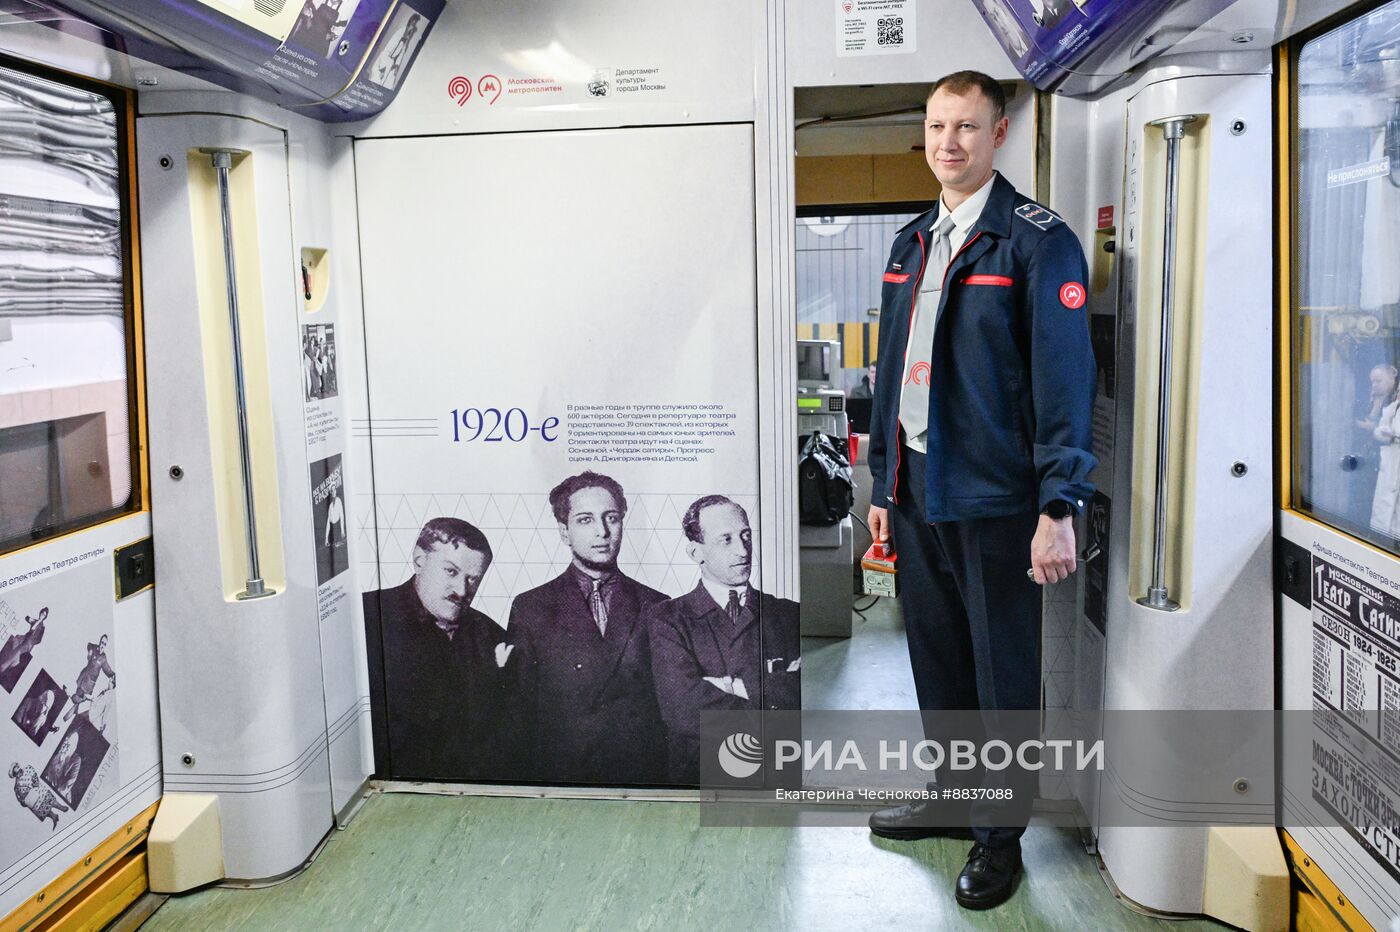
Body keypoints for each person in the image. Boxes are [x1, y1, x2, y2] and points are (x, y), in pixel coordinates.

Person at [864, 71, 1096, 910]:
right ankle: (954, 793)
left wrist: (1058, 504)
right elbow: (891, 374)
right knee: (937, 659)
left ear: (999, 134)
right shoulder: (910, 243)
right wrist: (884, 485)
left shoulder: (1038, 243)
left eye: (966, 127)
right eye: (935, 127)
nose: (948, 143)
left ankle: (1001, 839)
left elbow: (1065, 382)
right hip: (921, 483)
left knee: (1002, 673)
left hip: (1000, 498)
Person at [507, 472, 670, 784]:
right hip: (561, 780)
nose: (602, 532)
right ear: (564, 531)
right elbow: (518, 714)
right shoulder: (531, 607)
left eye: (611, 518)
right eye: (585, 520)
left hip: (641, 781)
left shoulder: (658, 606)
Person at [650, 495, 801, 784]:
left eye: (746, 536)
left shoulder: (788, 614)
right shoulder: (666, 618)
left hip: (776, 773)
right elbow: (682, 709)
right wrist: (775, 689)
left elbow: (806, 696)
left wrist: (737, 687)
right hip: (698, 776)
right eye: (726, 540)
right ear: (696, 552)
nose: (743, 550)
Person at [362, 518, 519, 780]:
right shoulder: (364, 617)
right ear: (419, 559)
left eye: (473, 579)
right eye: (451, 571)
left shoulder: (491, 635)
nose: (462, 590)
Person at [64, 635, 113, 722]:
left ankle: (65, 718)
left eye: (105, 644)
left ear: (106, 646)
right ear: (100, 641)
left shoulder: (103, 658)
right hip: (82, 677)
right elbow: (89, 644)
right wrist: (90, 651)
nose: (102, 645)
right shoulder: (94, 648)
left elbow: (108, 670)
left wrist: (114, 676)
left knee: (77, 700)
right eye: (102, 642)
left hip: (89, 685)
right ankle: (67, 716)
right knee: (76, 700)